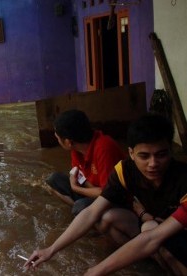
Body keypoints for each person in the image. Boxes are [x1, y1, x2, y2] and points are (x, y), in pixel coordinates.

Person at [24, 113, 187, 276]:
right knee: (111, 218)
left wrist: (95, 271)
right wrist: (51, 250)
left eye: (161, 155)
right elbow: (91, 212)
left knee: (156, 236)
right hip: (154, 226)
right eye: (144, 156)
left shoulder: (183, 180)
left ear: (170, 152)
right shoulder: (125, 171)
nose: (153, 164)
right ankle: (152, 262)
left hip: (173, 233)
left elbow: (153, 238)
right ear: (131, 153)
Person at [46, 109, 126, 216]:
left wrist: (77, 188)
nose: (58, 141)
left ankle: (87, 217)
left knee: (80, 206)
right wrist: (77, 183)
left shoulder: (104, 148)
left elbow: (108, 193)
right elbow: (77, 175)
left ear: (68, 142)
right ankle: (86, 216)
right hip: (92, 190)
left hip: (112, 198)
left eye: (58, 138)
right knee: (54, 179)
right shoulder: (76, 149)